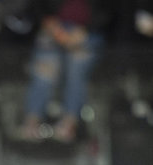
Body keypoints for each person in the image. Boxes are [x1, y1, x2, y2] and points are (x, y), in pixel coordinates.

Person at [18, 0, 108, 143]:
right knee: (45, 67)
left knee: (76, 66)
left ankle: (69, 123)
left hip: (89, 33)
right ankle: (32, 122)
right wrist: (53, 27)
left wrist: (85, 31)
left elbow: (108, 11)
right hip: (54, 29)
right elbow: (38, 7)